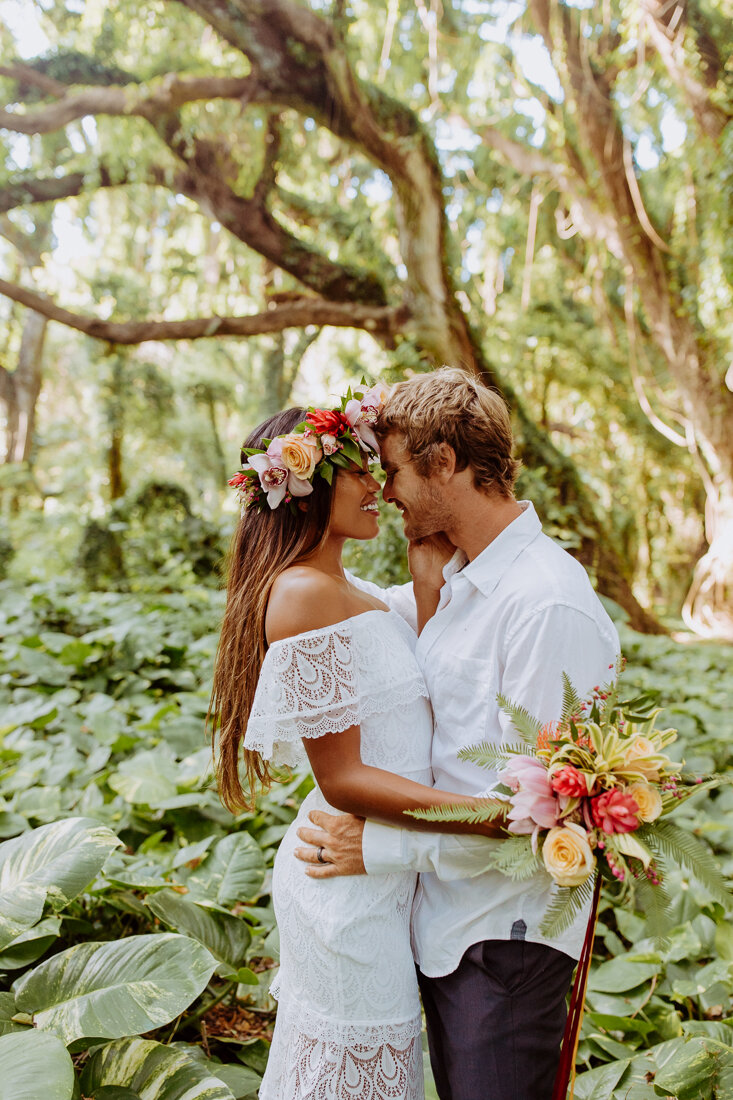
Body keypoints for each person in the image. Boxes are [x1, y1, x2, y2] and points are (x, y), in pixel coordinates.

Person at [294, 367, 621, 1100]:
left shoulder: (544, 604)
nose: (385, 491)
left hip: (503, 945)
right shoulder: (462, 584)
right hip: (448, 931)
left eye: (395, 471)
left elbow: (538, 811)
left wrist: (377, 847)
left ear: (444, 464)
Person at [209, 389, 503, 1100]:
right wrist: (489, 816)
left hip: (382, 874)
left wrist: (424, 565)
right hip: (342, 883)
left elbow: (420, 668)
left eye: (380, 470)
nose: (379, 486)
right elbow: (341, 778)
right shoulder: (304, 594)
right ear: (305, 485)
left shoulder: (359, 591)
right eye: (359, 471)